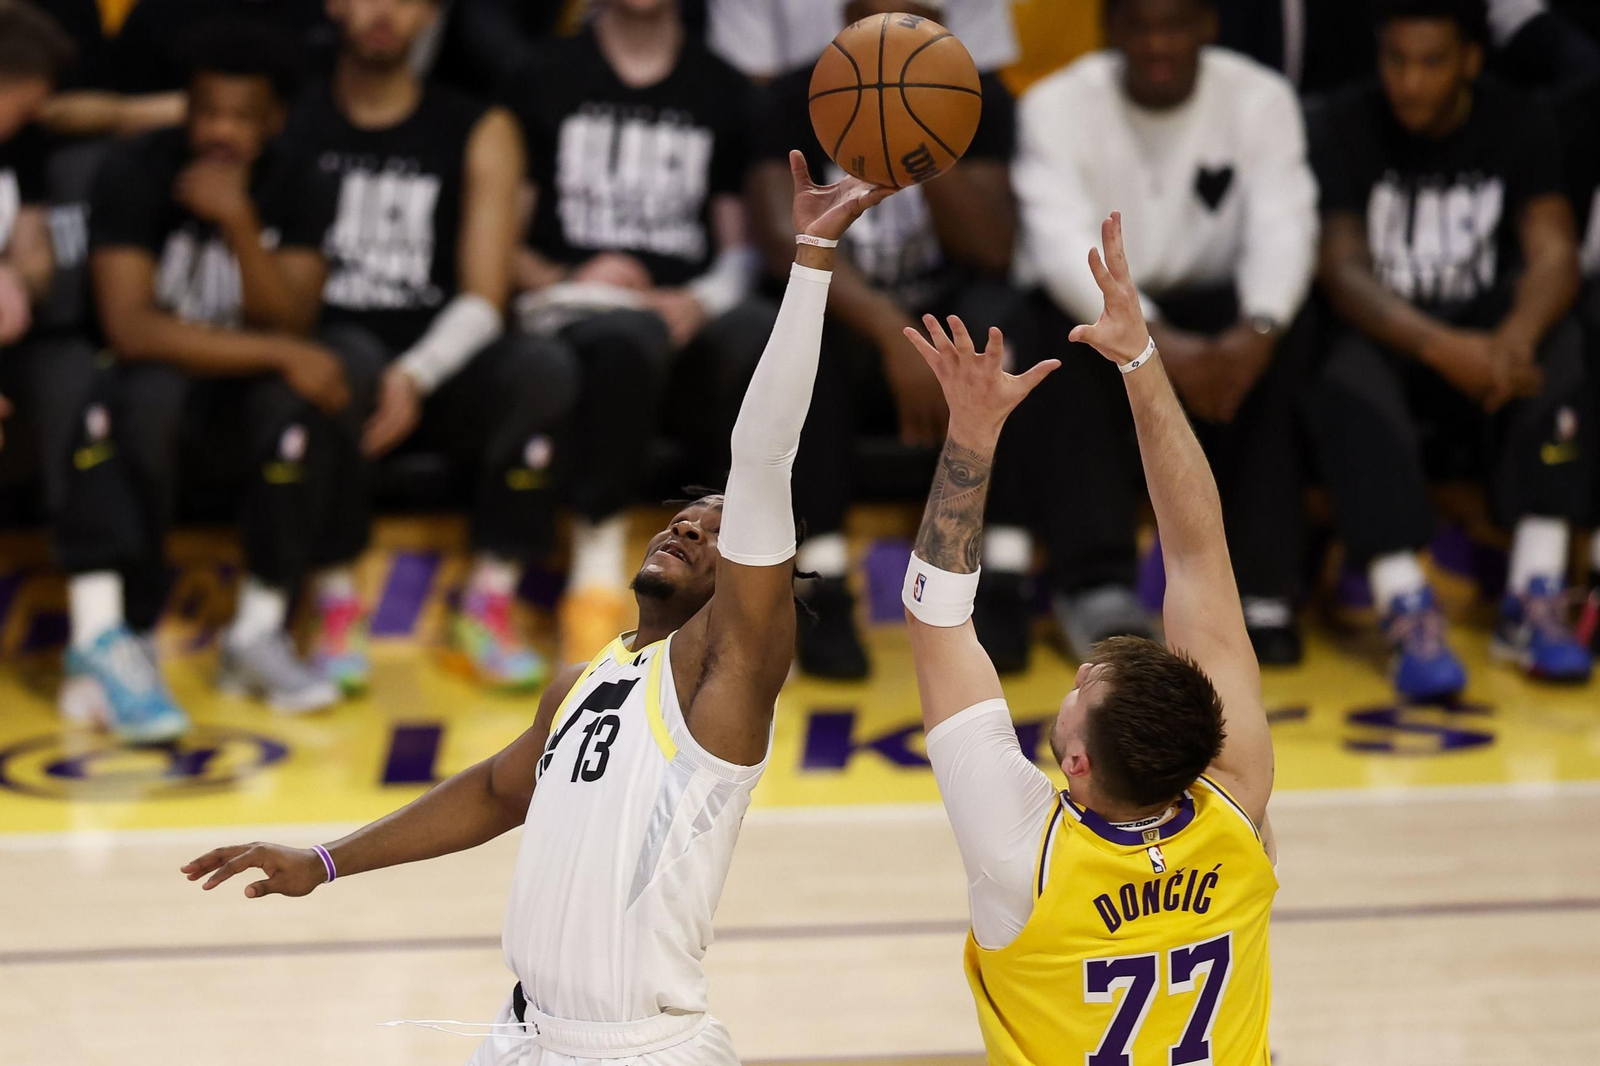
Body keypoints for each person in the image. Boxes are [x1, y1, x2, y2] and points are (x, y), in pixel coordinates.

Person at [181, 155, 892, 1066]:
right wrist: (323, 863)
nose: (688, 527)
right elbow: (492, 792)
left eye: (717, 535)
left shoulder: (725, 678)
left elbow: (762, 458)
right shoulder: (586, 679)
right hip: (520, 1037)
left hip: (641, 1050)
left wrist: (809, 259)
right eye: (684, 515)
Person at [902, 212, 1276, 1064]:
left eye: (1080, 690)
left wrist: (970, 431)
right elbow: (1197, 549)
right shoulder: (1233, 807)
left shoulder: (1024, 860)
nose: (1076, 671)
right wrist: (1141, 363)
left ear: (1076, 766)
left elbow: (932, 617)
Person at [54, 20, 375, 738]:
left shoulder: (300, 179)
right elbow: (131, 329)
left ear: (275, 120)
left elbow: (291, 319)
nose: (219, 131)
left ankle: (257, 634)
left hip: (237, 407)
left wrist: (237, 221)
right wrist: (279, 353)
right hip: (152, 392)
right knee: (133, 394)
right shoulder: (136, 171)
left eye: (241, 116)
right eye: (205, 112)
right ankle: (116, 638)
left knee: (305, 401)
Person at [1012, 0, 1319, 664]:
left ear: (1209, 24)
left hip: (1226, 320)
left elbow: (1285, 225)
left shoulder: (1261, 98)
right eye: (1139, 25)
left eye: (1175, 23)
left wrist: (1257, 331)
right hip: (1117, 314)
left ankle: (1262, 588)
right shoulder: (1053, 106)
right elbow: (1059, 247)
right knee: (1059, 329)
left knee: (1292, 329)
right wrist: (1152, 345)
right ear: (1110, 29)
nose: (1158, 43)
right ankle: (1095, 586)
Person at [286, 0, 575, 695]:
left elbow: (485, 297)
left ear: (432, 14)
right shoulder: (292, 116)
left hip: (437, 364)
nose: (383, 11)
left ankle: (488, 599)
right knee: (339, 362)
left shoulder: (478, 126)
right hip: (327, 358)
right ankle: (334, 599)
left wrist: (415, 374)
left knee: (544, 367)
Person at [1308, 0, 1593, 698]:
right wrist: (1444, 349)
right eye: (1395, 60)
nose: (1409, 81)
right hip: (1399, 350)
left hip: (1489, 366)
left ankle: (1536, 591)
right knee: (1334, 348)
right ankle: (1404, 603)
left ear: (1470, 59)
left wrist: (1511, 341)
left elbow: (1554, 252)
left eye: (1431, 62)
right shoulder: (1341, 120)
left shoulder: (1520, 119)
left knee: (1561, 329)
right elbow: (1343, 272)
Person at [745, 0, 1029, 679]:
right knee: (799, 327)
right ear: (848, 18)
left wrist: (924, 130)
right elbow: (781, 242)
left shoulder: (982, 98)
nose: (902, 31)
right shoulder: (793, 97)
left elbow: (992, 248)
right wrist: (888, 331)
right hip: (852, 323)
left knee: (1007, 320)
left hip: (944, 321)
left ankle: (1003, 575)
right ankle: (822, 583)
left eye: (921, 16)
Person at [505, 0, 775, 666]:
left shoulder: (722, 86)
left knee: (760, 338)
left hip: (683, 314)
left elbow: (741, 251)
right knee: (628, 341)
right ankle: (596, 578)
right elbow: (501, 248)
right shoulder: (542, 76)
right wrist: (577, 279)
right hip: (574, 315)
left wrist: (697, 299)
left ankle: (743, 591)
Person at [0, 0, 73, 473]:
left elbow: (36, 266)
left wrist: (15, 279)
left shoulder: (19, 154)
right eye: (28, 104)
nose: (38, 115)